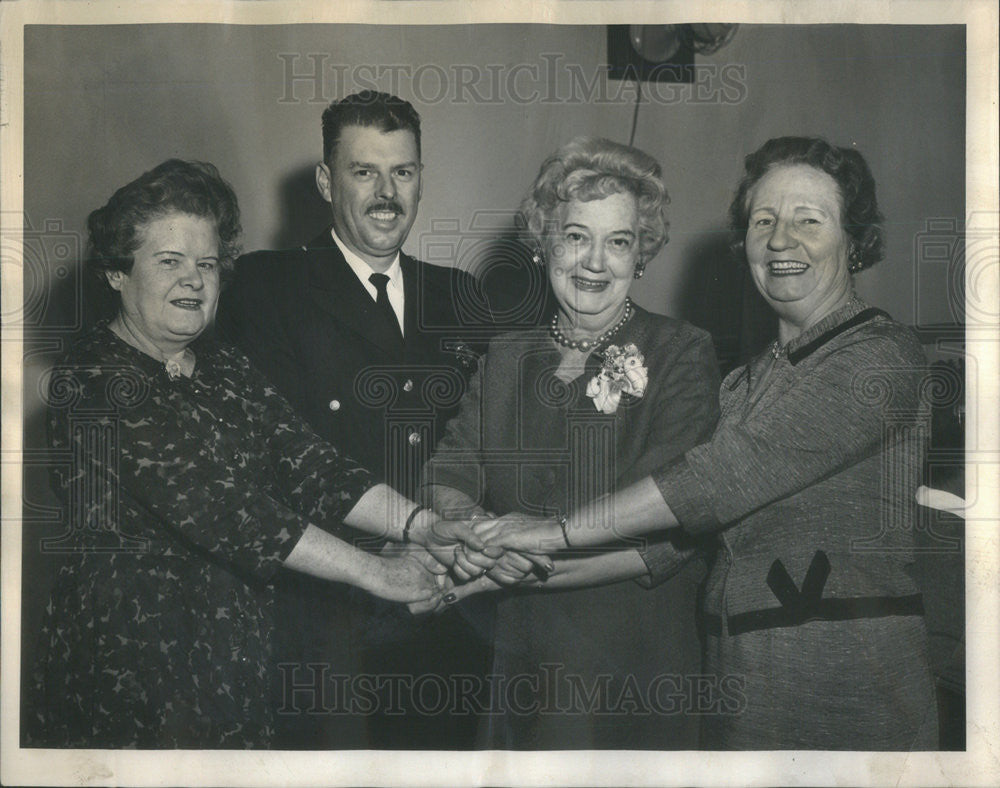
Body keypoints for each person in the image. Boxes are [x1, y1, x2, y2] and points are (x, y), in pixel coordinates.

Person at [469, 137, 940, 750]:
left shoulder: (881, 357)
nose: (780, 240)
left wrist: (546, 531)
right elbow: (670, 547)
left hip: (847, 682)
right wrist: (496, 574)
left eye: (809, 221)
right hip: (736, 679)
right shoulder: (744, 383)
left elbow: (713, 481)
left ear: (855, 241)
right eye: (763, 220)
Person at [23, 159, 474, 749]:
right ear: (116, 273)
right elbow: (232, 511)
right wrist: (383, 574)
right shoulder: (91, 378)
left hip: (235, 663)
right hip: (130, 670)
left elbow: (312, 465)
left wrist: (423, 524)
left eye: (207, 264)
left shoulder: (223, 364)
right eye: (169, 262)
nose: (194, 280)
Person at [215, 91, 500, 749]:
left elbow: (493, 443)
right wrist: (391, 558)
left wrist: (457, 562)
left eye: (402, 172)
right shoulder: (265, 286)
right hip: (325, 614)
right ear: (325, 181)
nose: (386, 192)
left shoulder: (462, 294)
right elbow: (272, 455)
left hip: (452, 607)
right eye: (363, 171)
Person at [421, 137, 721, 749]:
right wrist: (476, 528)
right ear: (544, 244)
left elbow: (668, 519)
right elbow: (445, 472)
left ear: (642, 255)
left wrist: (511, 557)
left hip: (631, 658)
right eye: (576, 235)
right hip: (521, 653)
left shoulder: (680, 351)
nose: (594, 262)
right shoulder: (507, 355)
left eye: (619, 241)